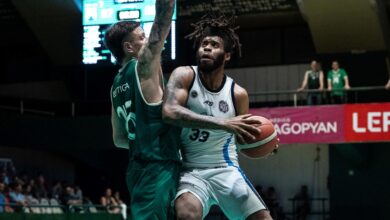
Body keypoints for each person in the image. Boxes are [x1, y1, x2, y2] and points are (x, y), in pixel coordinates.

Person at [162, 14, 275, 220]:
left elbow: (242, 136)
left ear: (227, 55)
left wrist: (262, 143)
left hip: (226, 169)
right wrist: (223, 124)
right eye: (203, 44)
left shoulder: (237, 94)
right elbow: (169, 112)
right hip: (190, 170)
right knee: (187, 215)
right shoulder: (184, 75)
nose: (206, 48)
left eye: (214, 45)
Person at [104, 1, 182, 219]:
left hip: (138, 169)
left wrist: (143, 136)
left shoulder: (115, 86)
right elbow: (163, 21)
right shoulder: (142, 66)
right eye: (142, 37)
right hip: (158, 165)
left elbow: (119, 139)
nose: (148, 40)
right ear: (129, 48)